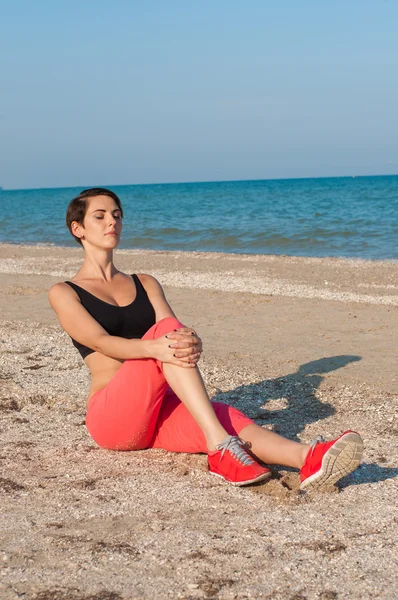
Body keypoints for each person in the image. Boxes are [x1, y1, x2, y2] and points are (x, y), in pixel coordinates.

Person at [48, 187, 363, 490]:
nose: (112, 222)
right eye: (100, 217)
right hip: (113, 419)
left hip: (157, 411)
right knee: (166, 336)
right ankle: (220, 448)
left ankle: (307, 458)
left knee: (222, 414)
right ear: (78, 229)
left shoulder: (145, 283)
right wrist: (156, 346)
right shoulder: (65, 292)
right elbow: (101, 341)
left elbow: (173, 329)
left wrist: (190, 340)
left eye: (117, 215)